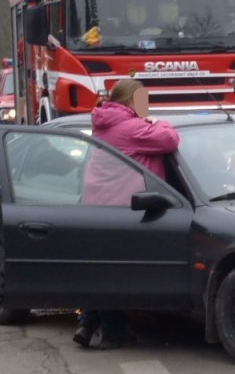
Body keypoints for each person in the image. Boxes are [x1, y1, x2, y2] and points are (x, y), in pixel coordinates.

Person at [74, 78, 180, 349]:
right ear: (130, 101)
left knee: (100, 269)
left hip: (97, 205)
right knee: (113, 273)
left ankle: (87, 324)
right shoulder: (131, 128)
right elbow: (169, 139)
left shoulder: (104, 124)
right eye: (142, 99)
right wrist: (158, 122)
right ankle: (113, 333)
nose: (145, 105)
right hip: (121, 208)